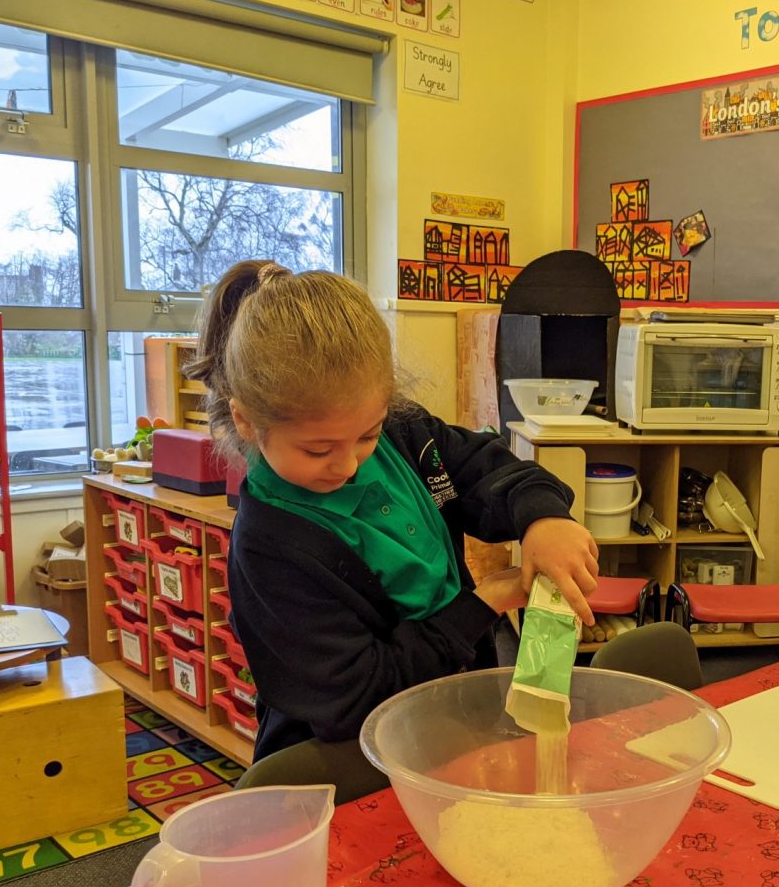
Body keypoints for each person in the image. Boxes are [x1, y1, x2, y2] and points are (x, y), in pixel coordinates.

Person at [187, 260, 600, 760]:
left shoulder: (404, 435)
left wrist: (543, 517)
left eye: (367, 434)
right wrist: (482, 604)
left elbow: (487, 468)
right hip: (345, 761)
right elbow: (357, 698)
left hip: (448, 719)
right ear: (245, 421)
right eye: (318, 450)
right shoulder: (269, 547)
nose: (349, 466)